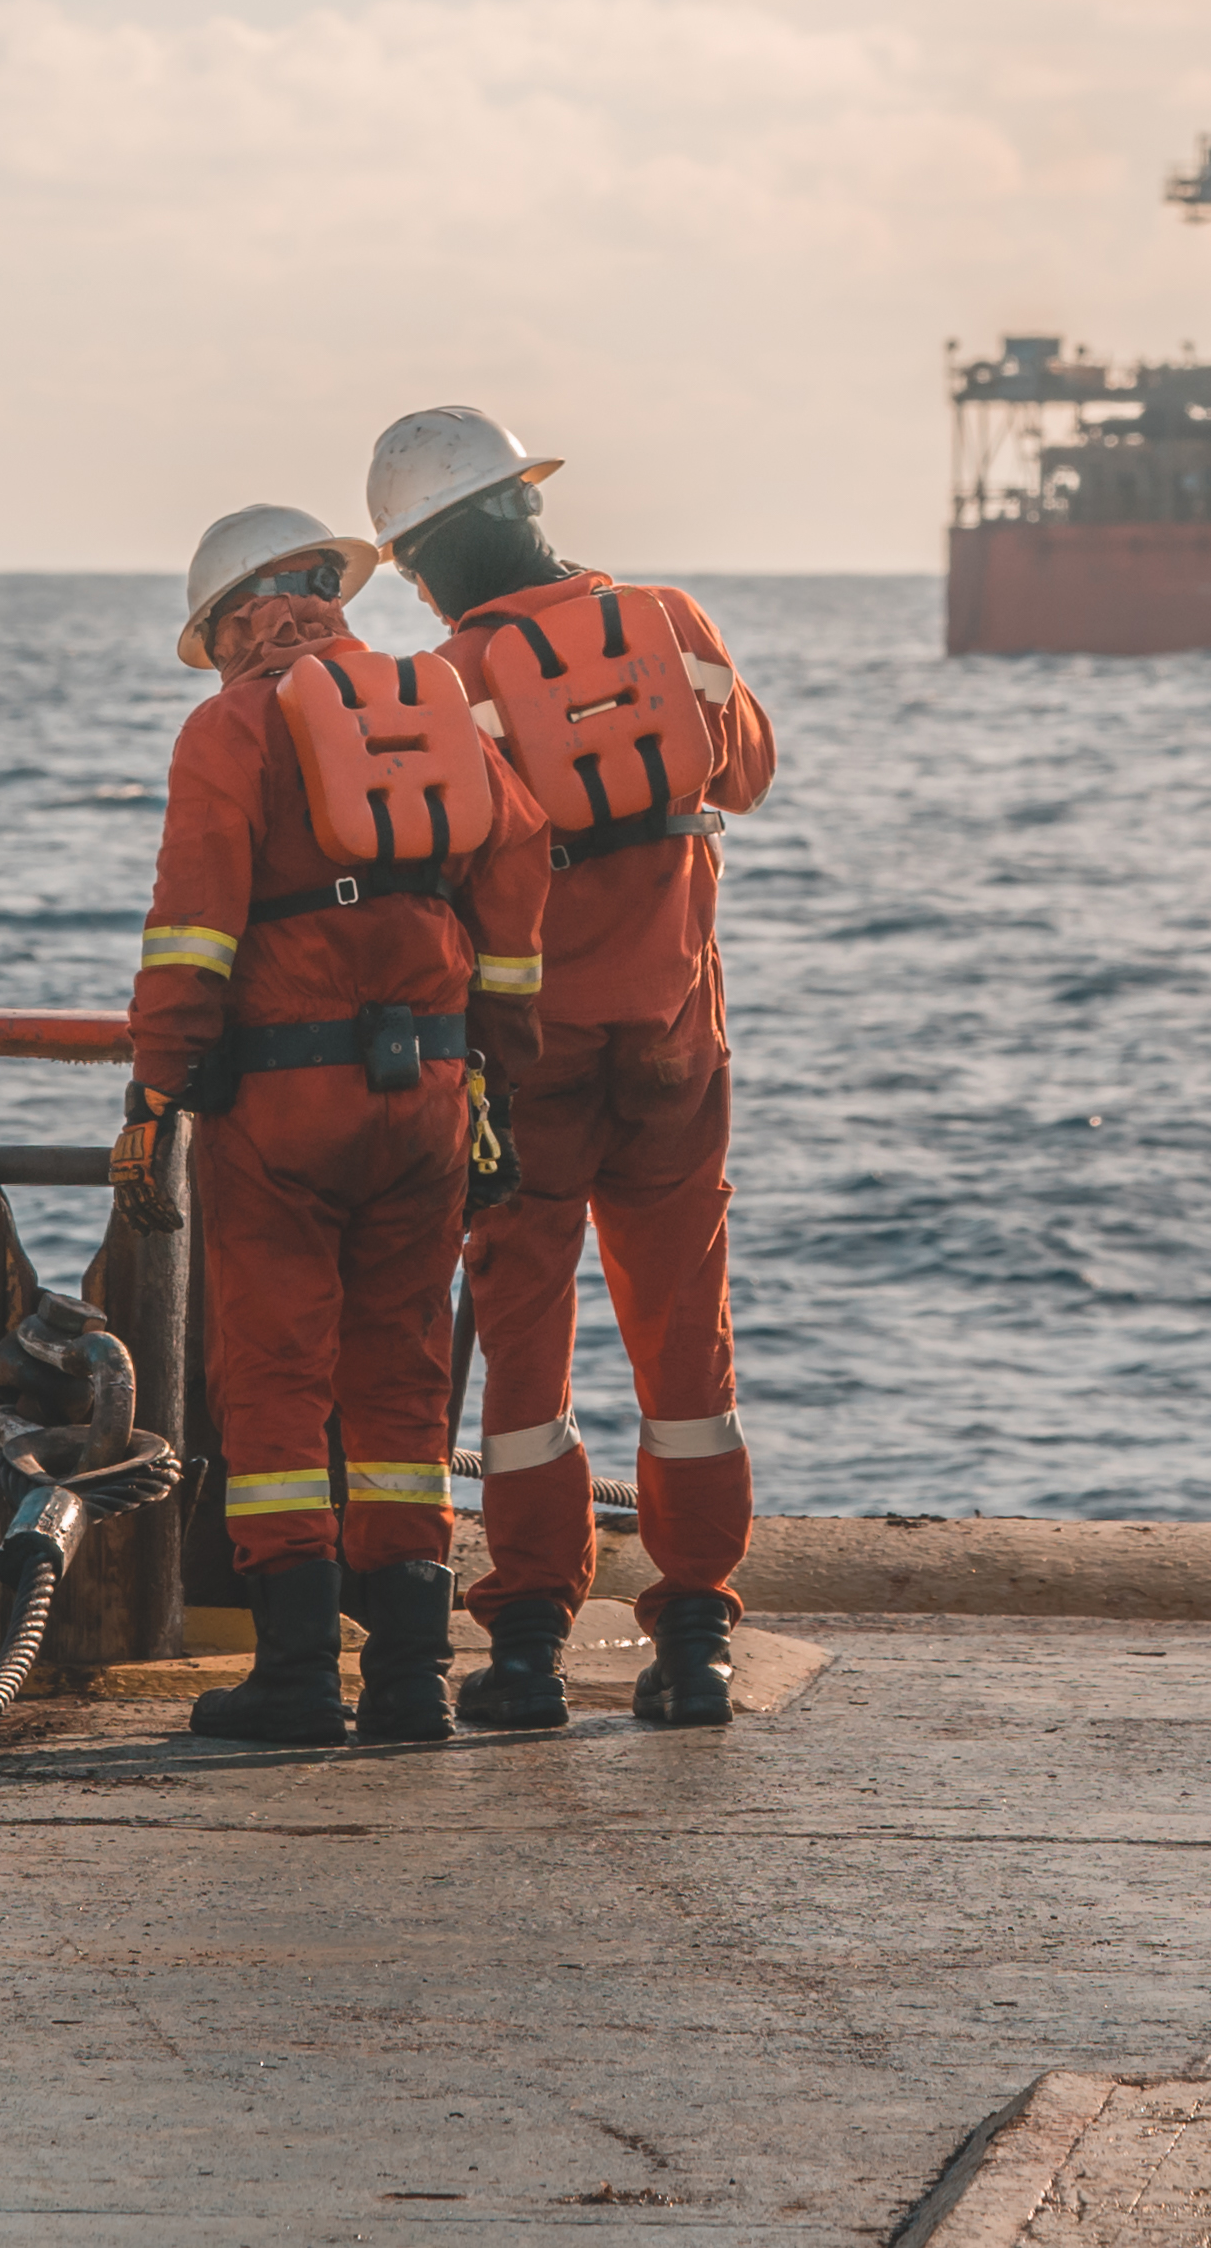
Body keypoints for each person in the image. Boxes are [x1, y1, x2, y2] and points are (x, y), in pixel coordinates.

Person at [376, 398, 781, 1734]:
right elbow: (754, 766)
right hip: (675, 1046)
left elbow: (430, 870)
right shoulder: (670, 623)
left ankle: (535, 1635)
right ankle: (696, 1636)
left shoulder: (447, 682)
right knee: (685, 1339)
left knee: (524, 1352)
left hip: (530, 1060)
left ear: (426, 561)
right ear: (528, 507)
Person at [120, 503, 549, 1747]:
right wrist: (496, 1070)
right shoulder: (434, 708)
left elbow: (190, 928)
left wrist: (158, 1091)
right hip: (428, 1097)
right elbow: (516, 873)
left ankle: (299, 1673)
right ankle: (412, 1679)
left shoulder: (232, 725)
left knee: (273, 1379)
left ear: (227, 623)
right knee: (405, 1379)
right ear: (330, 592)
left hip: (281, 1103)